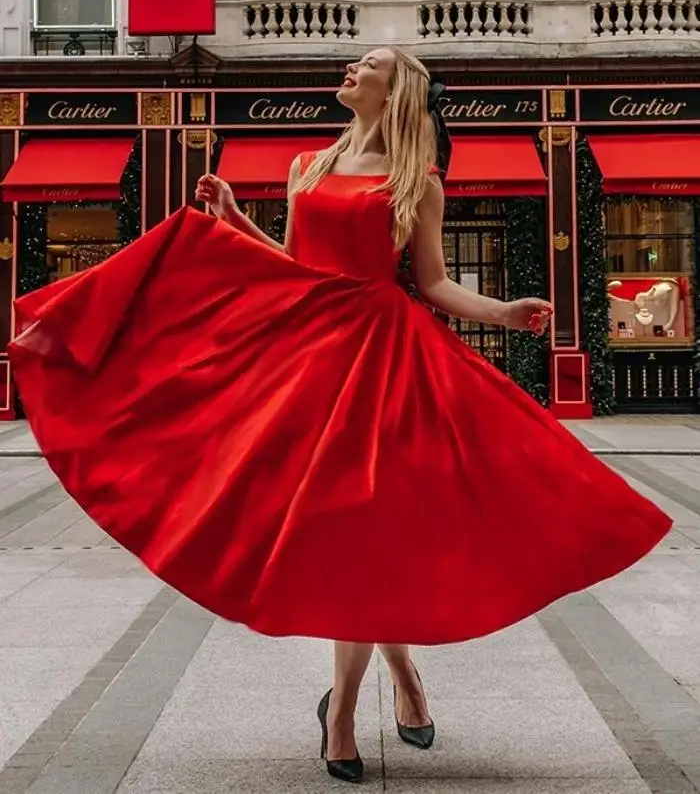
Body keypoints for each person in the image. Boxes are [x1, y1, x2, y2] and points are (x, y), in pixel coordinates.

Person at [9, 47, 671, 787]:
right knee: (349, 532)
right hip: (312, 359)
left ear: (397, 89)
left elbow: (433, 284)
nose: (353, 69)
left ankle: (343, 715)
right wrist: (231, 221)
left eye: (371, 64)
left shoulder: (415, 180)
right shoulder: (305, 167)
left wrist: (505, 312)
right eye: (356, 63)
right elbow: (296, 269)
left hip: (386, 362)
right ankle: (406, 678)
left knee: (363, 529)